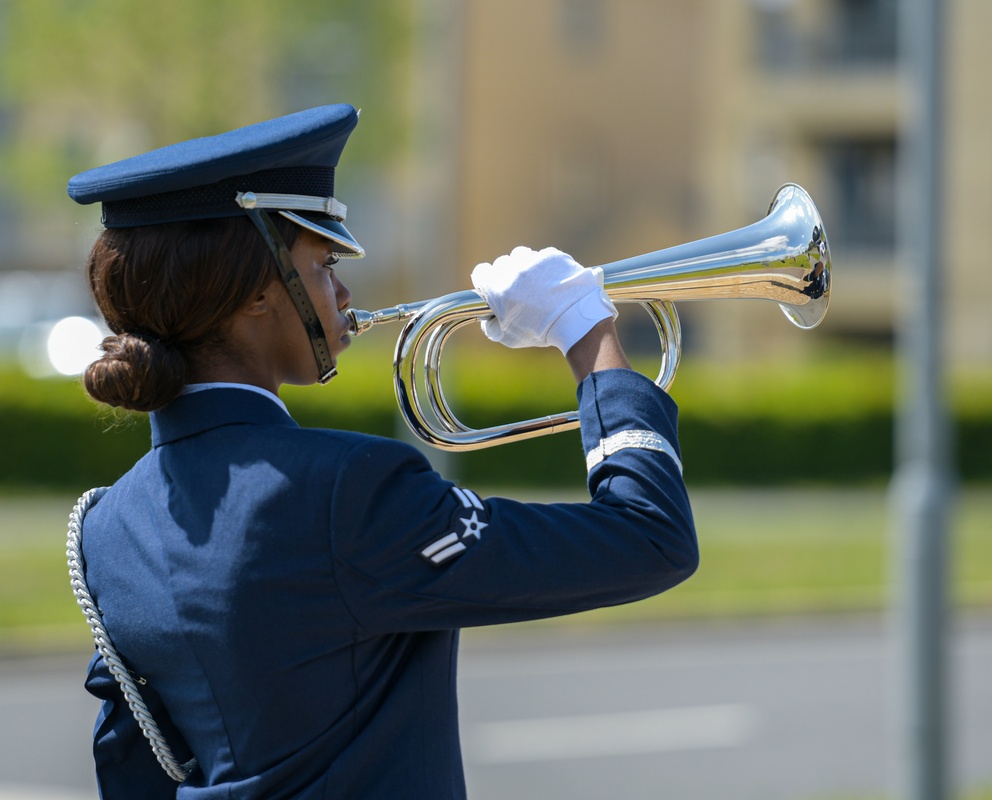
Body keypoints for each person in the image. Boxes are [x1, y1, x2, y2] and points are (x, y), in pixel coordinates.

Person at [66, 103, 698, 799]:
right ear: (254, 293)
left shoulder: (106, 526)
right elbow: (649, 537)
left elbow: (131, 770)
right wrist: (588, 332)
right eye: (324, 263)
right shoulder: (349, 488)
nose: (342, 292)